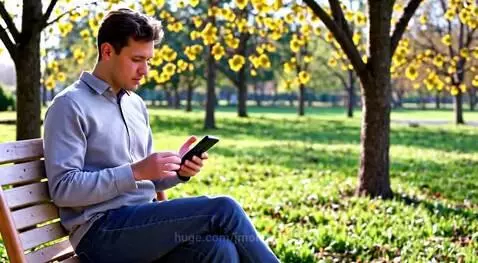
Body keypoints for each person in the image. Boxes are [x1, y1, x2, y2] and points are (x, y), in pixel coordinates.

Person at [43, 8, 280, 263]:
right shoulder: (69, 105)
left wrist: (177, 171)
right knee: (223, 209)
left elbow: (149, 181)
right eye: (136, 59)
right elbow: (63, 189)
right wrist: (135, 172)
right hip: (101, 234)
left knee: (218, 249)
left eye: (148, 60)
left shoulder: (136, 105)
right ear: (108, 51)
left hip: (142, 223)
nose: (145, 70)